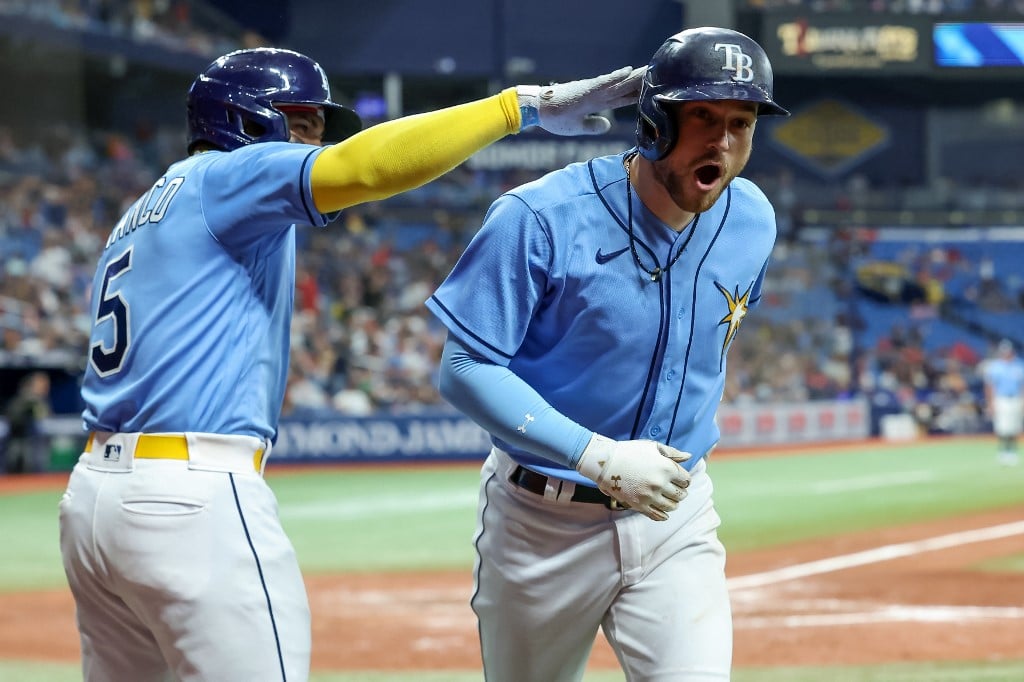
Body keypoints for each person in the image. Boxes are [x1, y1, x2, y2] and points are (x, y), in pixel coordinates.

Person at [57, 46, 643, 682]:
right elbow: (364, 169)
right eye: (302, 123)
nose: (313, 143)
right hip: (188, 498)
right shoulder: (226, 176)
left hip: (97, 499)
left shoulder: (141, 213)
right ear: (248, 123)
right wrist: (518, 108)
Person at [426, 27, 789, 681]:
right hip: (542, 523)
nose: (724, 142)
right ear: (653, 121)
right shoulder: (537, 217)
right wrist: (599, 456)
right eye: (702, 116)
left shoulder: (752, 219)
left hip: (675, 515)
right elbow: (462, 368)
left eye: (742, 121)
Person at [981, 338, 1024, 466]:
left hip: (1016, 398)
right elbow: (990, 386)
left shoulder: (1019, 365)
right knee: (1002, 426)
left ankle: (1012, 450)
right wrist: (990, 403)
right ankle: (1003, 450)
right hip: (1001, 398)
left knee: (1015, 426)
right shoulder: (996, 366)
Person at [2, 371, 51, 473]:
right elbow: (41, 414)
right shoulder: (26, 399)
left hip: (30, 440)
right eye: (41, 385)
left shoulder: (36, 400)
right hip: (18, 440)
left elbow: (44, 415)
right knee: (20, 467)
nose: (44, 388)